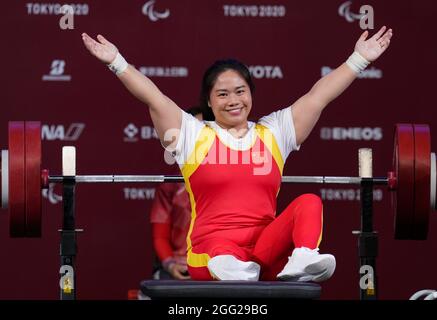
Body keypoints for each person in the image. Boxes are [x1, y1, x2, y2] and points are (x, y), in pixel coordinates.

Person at [82, 26, 393, 282]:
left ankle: (303, 258)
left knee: (309, 202)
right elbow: (154, 97)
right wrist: (117, 62)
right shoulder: (192, 135)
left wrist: (358, 60)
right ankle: (232, 269)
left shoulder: (274, 132)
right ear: (209, 101)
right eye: (222, 93)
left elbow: (319, 96)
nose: (233, 100)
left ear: (251, 94)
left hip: (264, 253)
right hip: (210, 254)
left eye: (240, 91)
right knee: (221, 251)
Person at [150, 107, 203, 280]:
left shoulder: (234, 177)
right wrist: (171, 265)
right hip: (181, 268)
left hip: (221, 265)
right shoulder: (171, 185)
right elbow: (160, 236)